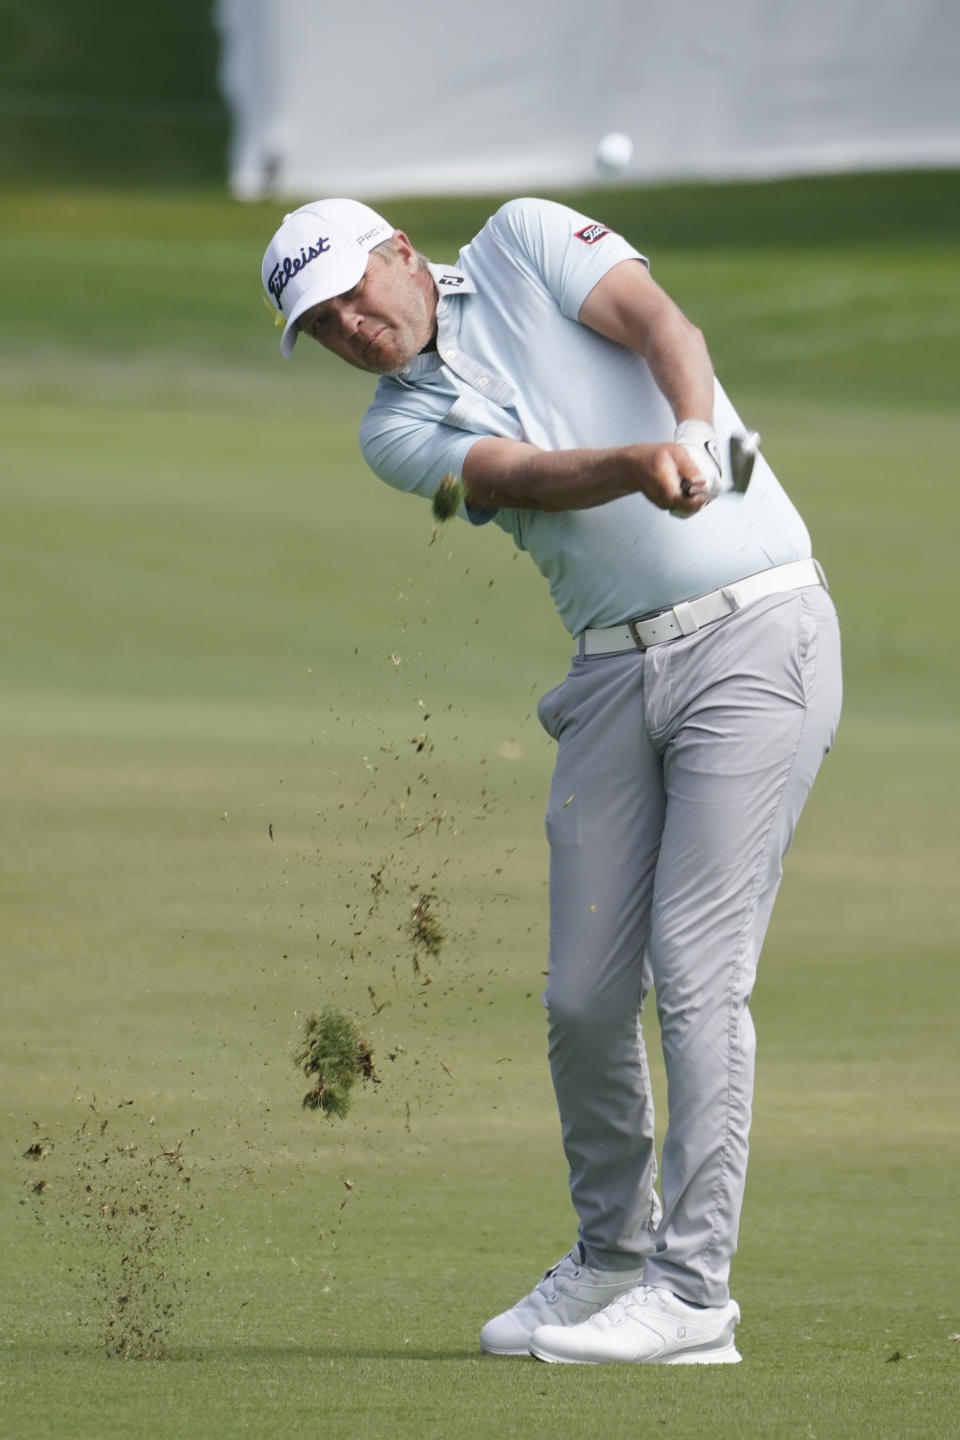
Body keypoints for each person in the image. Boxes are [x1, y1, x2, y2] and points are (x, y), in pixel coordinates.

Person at [261, 196, 842, 1366]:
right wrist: (638, 464)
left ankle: (693, 1297)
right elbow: (522, 474)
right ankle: (611, 1263)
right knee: (582, 996)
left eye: (352, 295)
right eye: (322, 326)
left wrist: (693, 431)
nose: (352, 330)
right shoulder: (394, 432)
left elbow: (658, 319)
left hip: (757, 636)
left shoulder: (524, 238)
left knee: (694, 971)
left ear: (402, 255)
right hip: (610, 679)